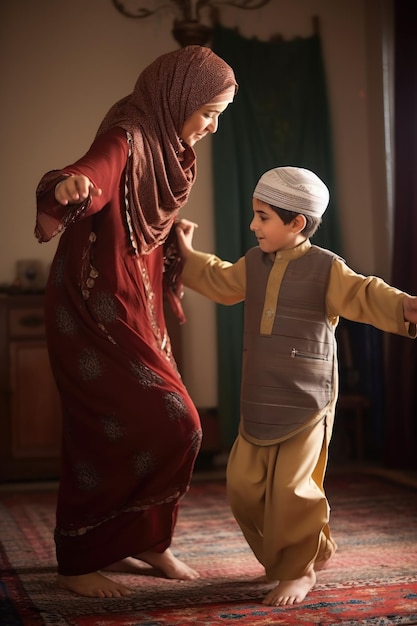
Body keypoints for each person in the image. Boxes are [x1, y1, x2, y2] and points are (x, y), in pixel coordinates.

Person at [35, 45, 238, 599]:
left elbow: (143, 221)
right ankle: (76, 559)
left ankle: (149, 541)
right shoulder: (129, 135)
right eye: (209, 113)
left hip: (137, 300)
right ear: (179, 98)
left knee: (164, 428)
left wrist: (176, 240)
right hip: (94, 307)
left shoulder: (171, 151)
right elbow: (92, 172)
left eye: (219, 116)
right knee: (160, 423)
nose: (212, 127)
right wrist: (67, 186)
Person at [175, 166, 417, 607]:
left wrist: (406, 306)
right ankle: (313, 549)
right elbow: (218, 279)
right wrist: (187, 254)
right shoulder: (252, 263)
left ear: (297, 223)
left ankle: (298, 569)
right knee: (243, 486)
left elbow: (365, 293)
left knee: (292, 489)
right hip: (258, 398)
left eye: (262, 216)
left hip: (308, 400)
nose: (253, 225)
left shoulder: (327, 269)